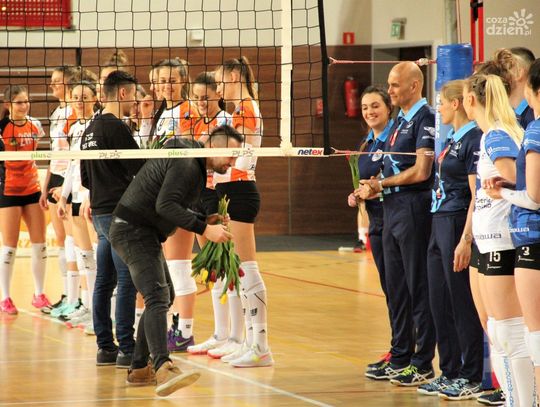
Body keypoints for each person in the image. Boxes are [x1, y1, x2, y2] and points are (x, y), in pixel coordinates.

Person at [109, 125, 241, 396]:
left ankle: (139, 368)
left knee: (164, 296)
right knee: (157, 296)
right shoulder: (187, 163)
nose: (233, 161)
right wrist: (204, 229)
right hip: (132, 230)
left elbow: (175, 204)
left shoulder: (191, 161)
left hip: (142, 231)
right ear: (214, 147)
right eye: (231, 154)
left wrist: (206, 219)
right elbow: (165, 205)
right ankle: (162, 366)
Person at [359, 61, 436, 386]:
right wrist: (370, 187)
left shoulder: (425, 117)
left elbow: (422, 171)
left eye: (394, 85)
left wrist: (381, 184)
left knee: (418, 287)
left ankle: (422, 363)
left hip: (413, 208)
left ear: (414, 86)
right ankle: (401, 354)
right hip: (390, 209)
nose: (389, 90)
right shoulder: (400, 121)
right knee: (396, 289)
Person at [463, 73, 535, 406]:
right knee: (498, 330)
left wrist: (500, 188)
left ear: (470, 100)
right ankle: (514, 400)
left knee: (510, 333)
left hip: (503, 241)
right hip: (490, 241)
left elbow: (516, 179)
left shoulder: (495, 135)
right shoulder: (492, 134)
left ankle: (522, 401)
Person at [414, 80, 484, 400]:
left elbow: (475, 195)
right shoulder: (451, 139)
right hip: (438, 221)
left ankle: (471, 376)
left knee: (460, 303)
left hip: (456, 223)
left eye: (441, 102)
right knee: (439, 302)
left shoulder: (473, 139)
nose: (438, 107)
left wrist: (466, 239)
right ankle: (450, 371)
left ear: (456, 104)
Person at [484, 58, 540, 406]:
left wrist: (502, 193)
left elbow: (533, 198)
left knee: (531, 336)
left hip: (531, 238)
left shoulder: (533, 130)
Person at [80, 70, 145, 368]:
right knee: (126, 281)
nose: (135, 102)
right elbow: (141, 168)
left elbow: (85, 177)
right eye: (133, 95)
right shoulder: (116, 127)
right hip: (120, 214)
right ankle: (127, 350)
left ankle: (105, 348)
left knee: (103, 281)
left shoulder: (89, 128)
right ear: (122, 93)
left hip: (100, 214)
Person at [212, 56, 273, 367]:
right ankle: (249, 341)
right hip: (230, 191)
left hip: (240, 191)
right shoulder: (239, 110)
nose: (218, 88)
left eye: (220, 81)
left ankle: (261, 346)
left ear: (234, 75)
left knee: (247, 269)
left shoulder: (247, 109)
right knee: (238, 270)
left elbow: (238, 157)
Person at [149, 58, 201, 353]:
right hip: (162, 194)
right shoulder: (161, 113)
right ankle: (176, 327)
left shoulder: (187, 110)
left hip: (180, 195)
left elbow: (190, 155)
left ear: (183, 81)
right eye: (161, 80)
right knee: (170, 267)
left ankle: (185, 331)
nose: (166, 85)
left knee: (179, 266)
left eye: (172, 80)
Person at [186, 71, 237, 356]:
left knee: (225, 265)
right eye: (196, 98)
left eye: (205, 97)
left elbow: (231, 163)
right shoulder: (194, 121)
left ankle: (233, 336)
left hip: (217, 195)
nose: (201, 102)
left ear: (218, 94)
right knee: (211, 268)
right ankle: (220, 333)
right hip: (197, 195)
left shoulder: (226, 122)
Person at [347, 86, 394, 373]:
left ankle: (407, 353)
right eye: (365, 107)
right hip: (376, 223)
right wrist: (357, 194)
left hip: (395, 221)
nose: (369, 111)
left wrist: (378, 189)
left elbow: (399, 178)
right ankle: (397, 349)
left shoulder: (395, 139)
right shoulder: (368, 143)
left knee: (401, 290)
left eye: (375, 105)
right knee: (390, 289)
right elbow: (366, 182)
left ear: (388, 107)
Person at [0, 85, 50, 314]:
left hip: (32, 188)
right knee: (9, 247)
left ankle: (39, 294)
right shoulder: (2, 127)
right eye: (19, 102)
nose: (24, 105)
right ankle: (5, 297)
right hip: (8, 189)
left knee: (40, 245)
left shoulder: (35, 125)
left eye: (26, 101)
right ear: (8, 104)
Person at [56, 81, 99, 330]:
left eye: (84, 97)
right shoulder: (74, 128)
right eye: (75, 97)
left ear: (95, 98)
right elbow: (72, 166)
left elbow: (98, 166)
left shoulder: (98, 125)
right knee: (85, 258)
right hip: (75, 197)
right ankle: (91, 309)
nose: (80, 101)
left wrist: (92, 194)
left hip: (92, 199)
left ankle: (103, 314)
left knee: (99, 257)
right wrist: (63, 197)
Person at [39, 65, 81, 315]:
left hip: (69, 179)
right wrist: (45, 186)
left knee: (73, 240)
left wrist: (63, 186)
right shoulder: (57, 112)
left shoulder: (74, 112)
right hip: (55, 176)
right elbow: (54, 153)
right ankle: (67, 295)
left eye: (57, 80)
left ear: (69, 82)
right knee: (62, 241)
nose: (52, 85)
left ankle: (77, 298)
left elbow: (72, 154)